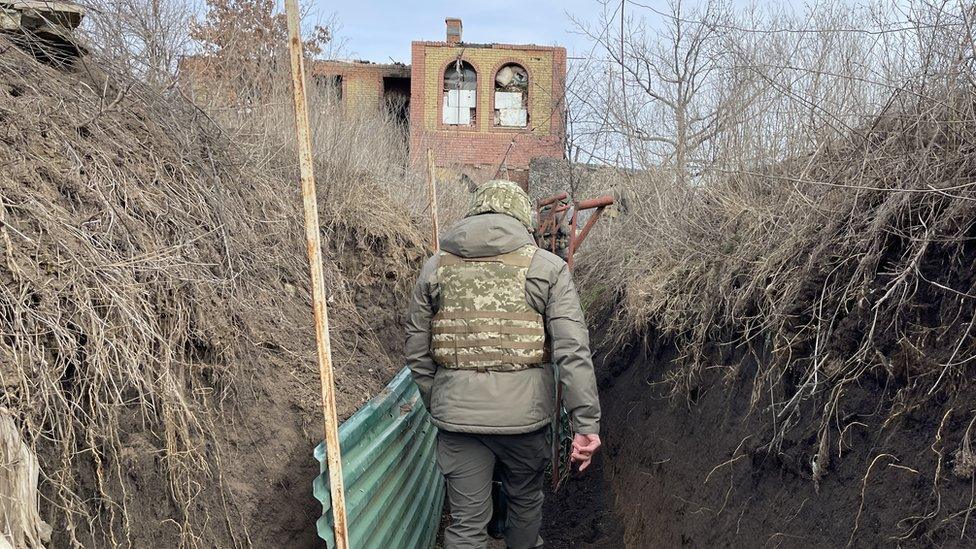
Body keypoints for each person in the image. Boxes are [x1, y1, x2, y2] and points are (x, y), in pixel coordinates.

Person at [405, 179, 602, 549]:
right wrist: (584, 423)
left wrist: (442, 399)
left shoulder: (435, 267)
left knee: (465, 524)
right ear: (521, 217)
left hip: (459, 422)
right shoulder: (548, 268)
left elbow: (417, 349)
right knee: (525, 504)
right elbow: (572, 349)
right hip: (524, 421)